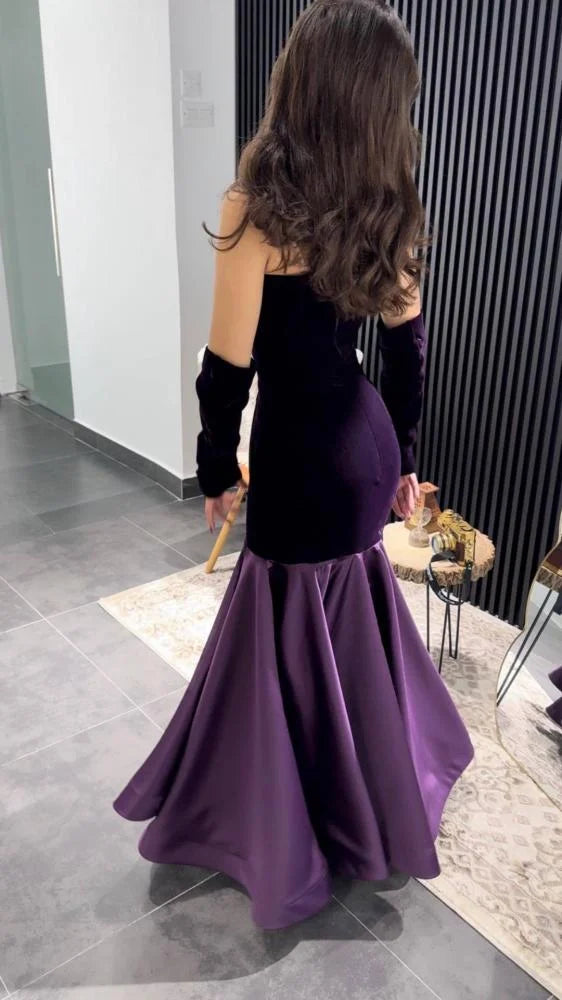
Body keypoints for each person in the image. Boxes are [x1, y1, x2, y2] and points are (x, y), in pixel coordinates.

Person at [114, 0, 474, 930]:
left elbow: (227, 365)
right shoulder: (387, 205)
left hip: (299, 454)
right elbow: (408, 353)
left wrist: (215, 470)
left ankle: (287, 814)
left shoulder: (259, 207)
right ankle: (365, 796)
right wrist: (401, 457)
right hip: (363, 446)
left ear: (300, 81)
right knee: (347, 618)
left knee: (284, 626)